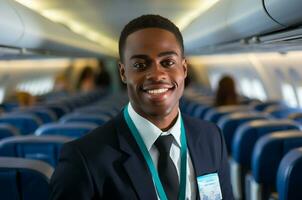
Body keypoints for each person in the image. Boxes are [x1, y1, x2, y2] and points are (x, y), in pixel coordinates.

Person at [50, 15, 233, 200]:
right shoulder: (85, 158)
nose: (156, 74)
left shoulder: (211, 138)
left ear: (184, 69)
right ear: (123, 73)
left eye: (168, 62)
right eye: (140, 65)